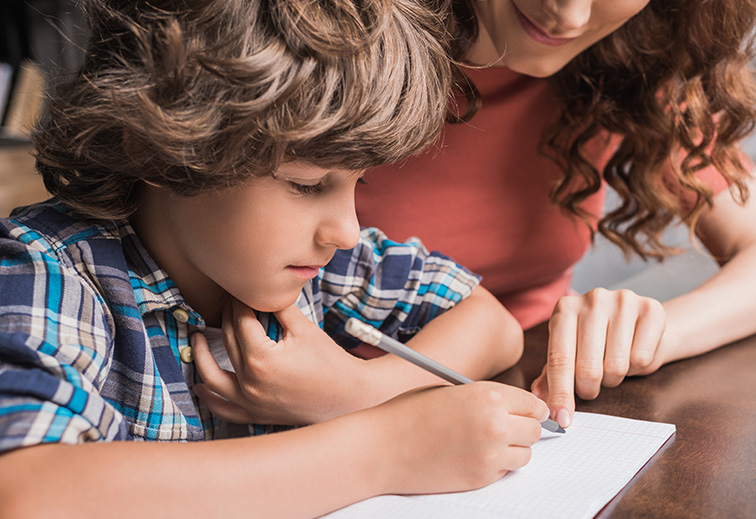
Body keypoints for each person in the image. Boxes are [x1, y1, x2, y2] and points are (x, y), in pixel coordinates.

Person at [0, 1, 550, 517]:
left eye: (358, 183)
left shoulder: (320, 265)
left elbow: (492, 323)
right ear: (159, 147)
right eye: (307, 184)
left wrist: (361, 392)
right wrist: (382, 449)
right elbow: (25, 490)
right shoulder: (49, 272)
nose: (347, 230)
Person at [355, 0, 756, 429]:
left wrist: (651, 334)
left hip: (529, 386)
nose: (570, 17)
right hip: (342, 404)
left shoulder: (629, 61)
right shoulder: (328, 50)